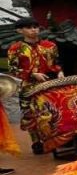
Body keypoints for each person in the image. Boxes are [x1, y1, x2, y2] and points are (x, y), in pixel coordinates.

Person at [7, 16, 63, 153]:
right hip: (28, 86)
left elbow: (56, 63)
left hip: (49, 84)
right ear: (20, 30)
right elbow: (13, 69)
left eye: (35, 27)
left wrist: (60, 71)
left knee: (54, 111)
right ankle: (36, 141)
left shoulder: (50, 46)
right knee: (30, 115)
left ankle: (56, 139)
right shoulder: (15, 49)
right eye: (29, 27)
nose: (34, 30)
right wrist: (31, 74)